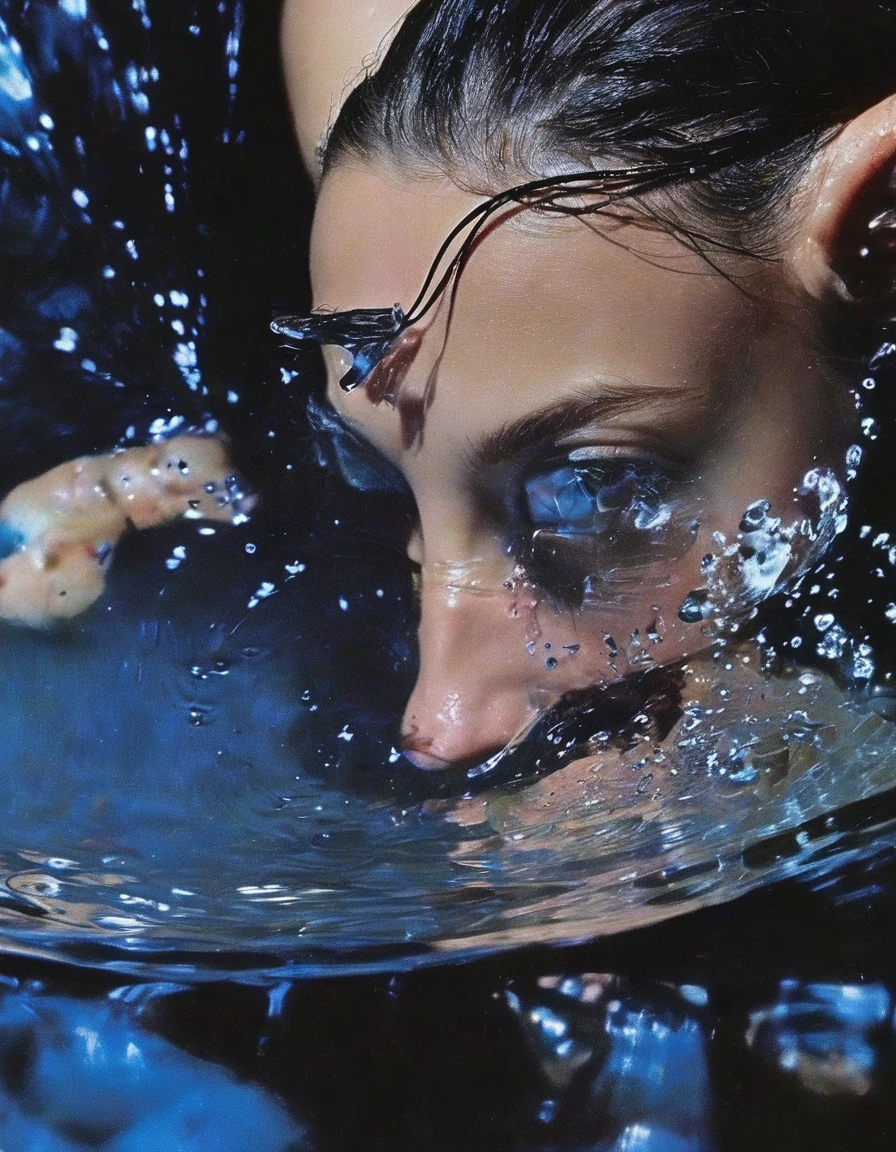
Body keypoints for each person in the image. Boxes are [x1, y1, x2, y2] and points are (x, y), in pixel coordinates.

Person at [3, 0, 895, 778]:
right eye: (377, 464)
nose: (437, 725)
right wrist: (252, 463)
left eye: (586, 486)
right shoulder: (368, 92)